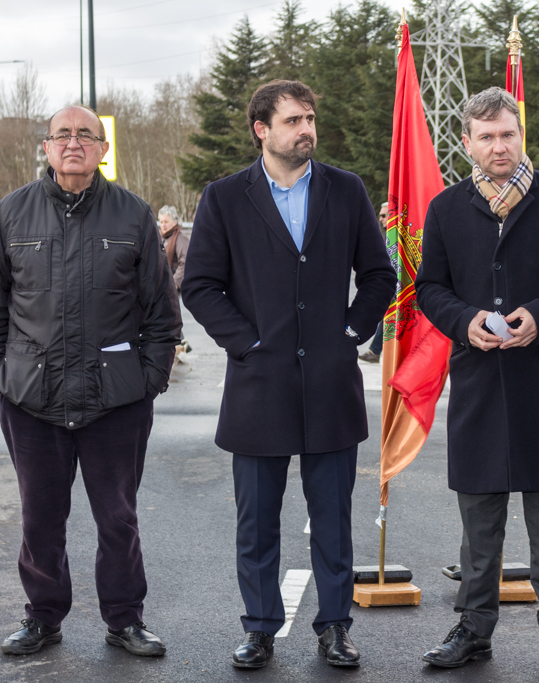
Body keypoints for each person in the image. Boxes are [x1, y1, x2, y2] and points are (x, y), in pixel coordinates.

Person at [181, 80, 396, 670]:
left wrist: (350, 333)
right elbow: (199, 284)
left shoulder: (345, 190)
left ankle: (334, 627)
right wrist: (247, 343)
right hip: (258, 388)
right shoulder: (224, 197)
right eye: (294, 120)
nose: (307, 129)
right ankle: (259, 628)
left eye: (311, 118)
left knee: (332, 519)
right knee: (256, 525)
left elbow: (380, 275)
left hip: (330, 386)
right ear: (262, 129)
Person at [0, 105, 182, 658]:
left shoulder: (133, 216)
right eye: (61, 135)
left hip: (116, 402)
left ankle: (125, 620)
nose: (73, 143)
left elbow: (161, 312)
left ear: (102, 148)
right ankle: (43, 618)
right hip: (31, 402)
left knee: (118, 519)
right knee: (40, 518)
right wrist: (0, 375)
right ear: (46, 147)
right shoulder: (13, 214)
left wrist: (148, 379)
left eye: (85, 135)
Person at [415, 87, 539, 678]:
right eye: (487, 136)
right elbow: (430, 289)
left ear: (522, 135)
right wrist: (465, 322)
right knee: (479, 524)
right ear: (466, 143)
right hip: (478, 383)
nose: (500, 146)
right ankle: (474, 628)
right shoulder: (446, 208)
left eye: (508, 134)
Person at [359, 201, 389, 363]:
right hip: (391, 287)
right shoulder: (382, 236)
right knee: (387, 317)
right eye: (381, 216)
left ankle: (375, 351)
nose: (382, 219)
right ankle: (375, 351)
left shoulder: (398, 236)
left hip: (405, 288)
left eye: (386, 215)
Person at [158, 204, 189, 294]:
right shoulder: (159, 237)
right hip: (160, 287)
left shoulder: (181, 238)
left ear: (175, 222)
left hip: (172, 289)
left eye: (166, 222)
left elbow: (185, 262)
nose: (163, 225)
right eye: (161, 222)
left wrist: (174, 283)